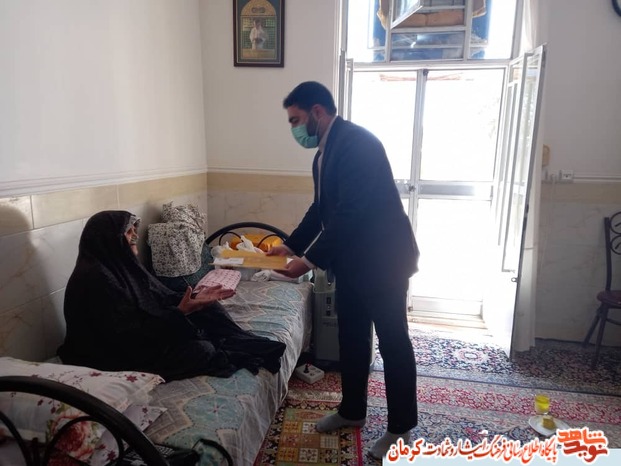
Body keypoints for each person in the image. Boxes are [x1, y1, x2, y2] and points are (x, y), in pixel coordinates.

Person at [268, 81, 420, 459]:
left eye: (296, 120)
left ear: (318, 112)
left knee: (393, 343)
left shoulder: (358, 144)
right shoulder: (323, 153)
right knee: (352, 340)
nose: (294, 129)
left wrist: (307, 261)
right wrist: (291, 245)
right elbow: (321, 209)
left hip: (384, 262)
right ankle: (352, 410)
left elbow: (351, 213)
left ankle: (400, 428)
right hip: (352, 264)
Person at [58, 210, 286, 381]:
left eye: (135, 229)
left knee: (208, 308)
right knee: (201, 350)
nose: (135, 235)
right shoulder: (96, 280)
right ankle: (228, 345)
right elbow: (126, 338)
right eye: (128, 232)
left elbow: (156, 297)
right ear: (109, 239)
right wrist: (181, 312)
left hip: (144, 333)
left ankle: (241, 341)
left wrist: (194, 298)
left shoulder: (123, 266)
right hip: (111, 356)